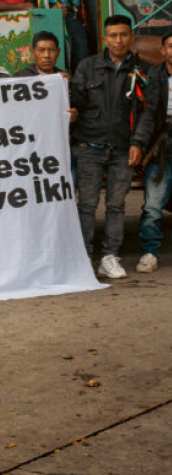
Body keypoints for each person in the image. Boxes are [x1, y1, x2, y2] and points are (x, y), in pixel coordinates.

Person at [71, 15, 152, 279]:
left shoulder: (143, 70)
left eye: (124, 34)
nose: (119, 40)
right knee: (87, 205)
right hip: (88, 147)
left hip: (123, 149)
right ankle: (83, 257)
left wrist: (138, 142)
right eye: (113, 35)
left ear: (132, 37)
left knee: (117, 205)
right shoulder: (87, 67)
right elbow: (76, 102)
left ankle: (109, 256)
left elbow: (146, 112)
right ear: (105, 38)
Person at [134, 31, 172, 274]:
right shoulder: (155, 76)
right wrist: (138, 143)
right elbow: (148, 115)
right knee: (153, 204)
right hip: (163, 145)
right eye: (170, 46)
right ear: (162, 51)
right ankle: (150, 252)